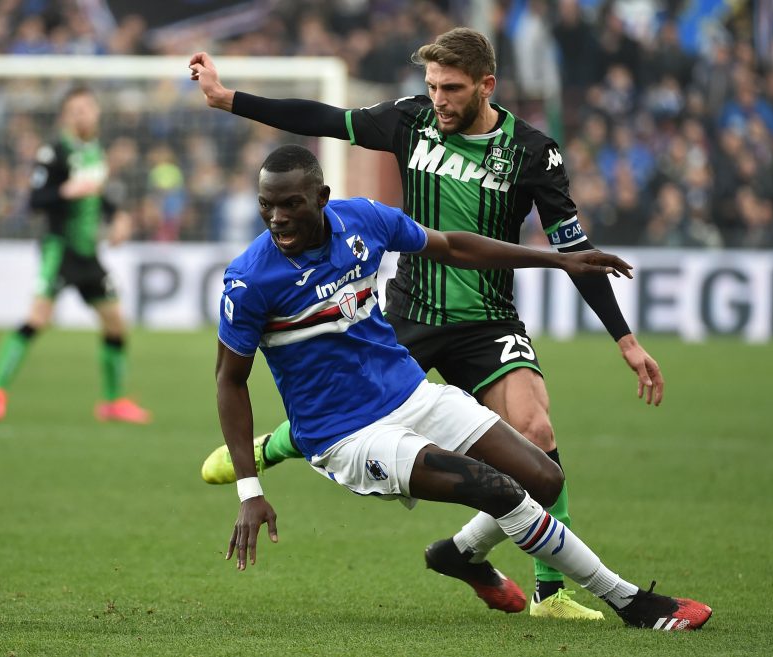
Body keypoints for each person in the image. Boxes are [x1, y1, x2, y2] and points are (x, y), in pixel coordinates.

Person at [191, 27, 664, 619]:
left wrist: (624, 338)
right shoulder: (407, 121)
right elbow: (323, 118)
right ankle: (282, 442)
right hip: (410, 313)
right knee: (357, 400)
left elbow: (572, 248)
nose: (439, 98)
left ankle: (548, 592)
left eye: (452, 88)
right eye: (433, 86)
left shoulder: (533, 153)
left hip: (487, 318)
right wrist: (230, 98)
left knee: (538, 438)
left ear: (486, 86)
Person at [215, 144, 710, 632]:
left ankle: (459, 554)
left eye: (290, 204)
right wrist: (248, 491)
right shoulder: (250, 280)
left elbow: (452, 246)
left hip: (411, 395)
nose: (276, 218)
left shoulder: (362, 220)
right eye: (267, 205)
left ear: (321, 197)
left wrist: (560, 261)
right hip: (346, 436)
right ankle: (632, 603)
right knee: (494, 490)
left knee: (544, 479)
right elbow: (229, 381)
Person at [0, 86, 151, 424]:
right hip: (60, 247)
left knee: (115, 321)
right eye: (75, 110)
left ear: (97, 112)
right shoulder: (54, 151)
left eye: (87, 108)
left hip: (87, 252)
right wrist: (64, 190)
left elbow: (97, 195)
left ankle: (113, 402)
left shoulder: (95, 151)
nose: (82, 114)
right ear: (66, 116)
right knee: (39, 317)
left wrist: (118, 217)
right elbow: (35, 200)